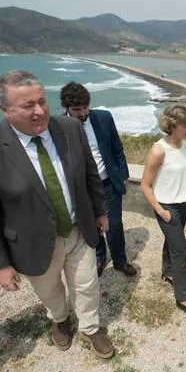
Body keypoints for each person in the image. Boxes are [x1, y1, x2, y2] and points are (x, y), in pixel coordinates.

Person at [0, 70, 114, 359]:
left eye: (42, 101)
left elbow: (90, 174)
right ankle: (59, 320)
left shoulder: (69, 127)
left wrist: (99, 210)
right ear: (5, 110)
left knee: (87, 284)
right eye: (28, 105)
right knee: (50, 291)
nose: (40, 111)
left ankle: (91, 328)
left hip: (78, 228)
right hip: (32, 241)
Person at [59, 81, 136, 277]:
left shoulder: (104, 117)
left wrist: (123, 174)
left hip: (108, 182)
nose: (83, 113)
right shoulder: (58, 126)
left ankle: (120, 261)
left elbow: (117, 148)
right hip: (82, 188)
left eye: (86, 107)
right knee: (94, 225)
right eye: (77, 109)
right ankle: (100, 257)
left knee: (115, 224)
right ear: (66, 108)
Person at [140, 104, 186, 317]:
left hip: (185, 203)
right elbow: (145, 185)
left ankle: (167, 271)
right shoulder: (158, 150)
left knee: (173, 241)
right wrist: (161, 210)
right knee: (181, 251)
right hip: (167, 207)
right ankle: (182, 297)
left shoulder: (183, 143)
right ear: (172, 126)